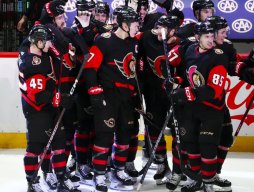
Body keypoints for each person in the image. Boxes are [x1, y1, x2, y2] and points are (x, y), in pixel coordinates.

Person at [83, 7, 140, 192]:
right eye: (134, 23)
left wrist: (136, 96)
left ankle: (120, 169)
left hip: (126, 98)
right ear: (124, 24)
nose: (137, 26)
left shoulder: (133, 43)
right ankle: (99, 174)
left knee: (125, 134)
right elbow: (90, 68)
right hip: (108, 96)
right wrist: (95, 92)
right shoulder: (104, 41)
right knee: (105, 135)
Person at [169, 21, 228, 192]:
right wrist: (175, 81)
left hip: (212, 109)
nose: (211, 40)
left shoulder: (219, 56)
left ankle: (208, 183)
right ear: (197, 38)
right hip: (192, 108)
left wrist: (182, 93)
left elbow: (213, 90)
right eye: (207, 37)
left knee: (207, 145)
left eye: (212, 36)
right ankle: (196, 179)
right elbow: (188, 76)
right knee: (191, 144)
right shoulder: (189, 51)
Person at [18, 24, 78, 192]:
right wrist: (60, 99)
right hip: (36, 109)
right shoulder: (29, 62)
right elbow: (38, 96)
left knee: (59, 143)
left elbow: (59, 55)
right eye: (47, 42)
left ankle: (60, 178)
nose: (50, 44)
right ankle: (32, 182)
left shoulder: (44, 53)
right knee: (36, 147)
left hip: (50, 107)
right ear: (38, 42)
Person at [137, 14, 181, 184]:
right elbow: (136, 52)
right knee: (155, 129)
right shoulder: (147, 37)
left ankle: (179, 168)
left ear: (173, 31)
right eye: (157, 27)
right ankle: (161, 163)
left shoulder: (179, 43)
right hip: (152, 92)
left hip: (173, 95)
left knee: (178, 130)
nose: (158, 31)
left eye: (163, 28)